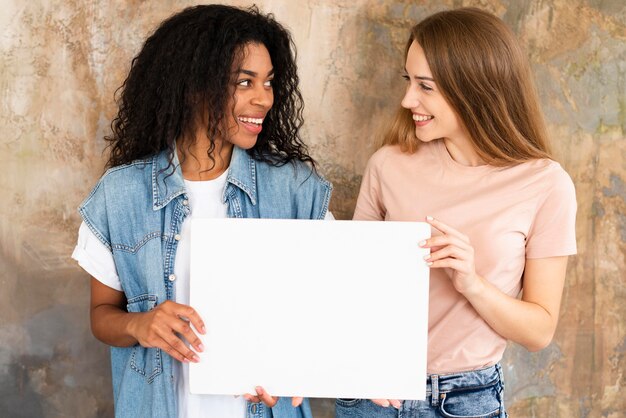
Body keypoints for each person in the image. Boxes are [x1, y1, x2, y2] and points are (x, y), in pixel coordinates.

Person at [71, 5, 332, 418]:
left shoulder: (296, 190)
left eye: (268, 83)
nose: (264, 98)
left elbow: (329, 306)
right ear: (194, 86)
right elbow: (102, 316)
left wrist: (295, 365)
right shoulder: (120, 194)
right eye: (245, 82)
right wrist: (140, 325)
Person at [337, 7, 576, 418]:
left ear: (474, 89)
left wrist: (472, 282)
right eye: (408, 81)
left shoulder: (546, 184)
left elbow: (539, 331)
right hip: (372, 396)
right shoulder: (388, 165)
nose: (407, 99)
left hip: (466, 400)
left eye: (425, 86)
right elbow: (354, 293)